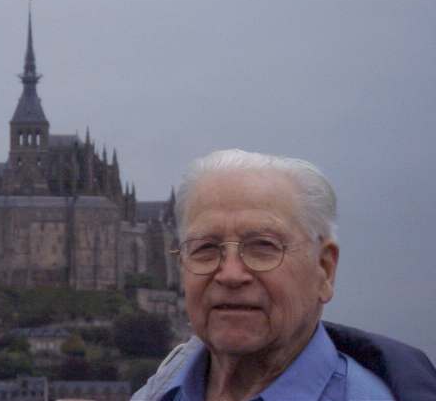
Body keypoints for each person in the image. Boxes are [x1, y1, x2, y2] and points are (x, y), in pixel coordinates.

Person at [132, 149, 436, 401]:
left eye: (263, 246)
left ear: (324, 270)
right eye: (206, 248)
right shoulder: (156, 393)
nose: (230, 274)